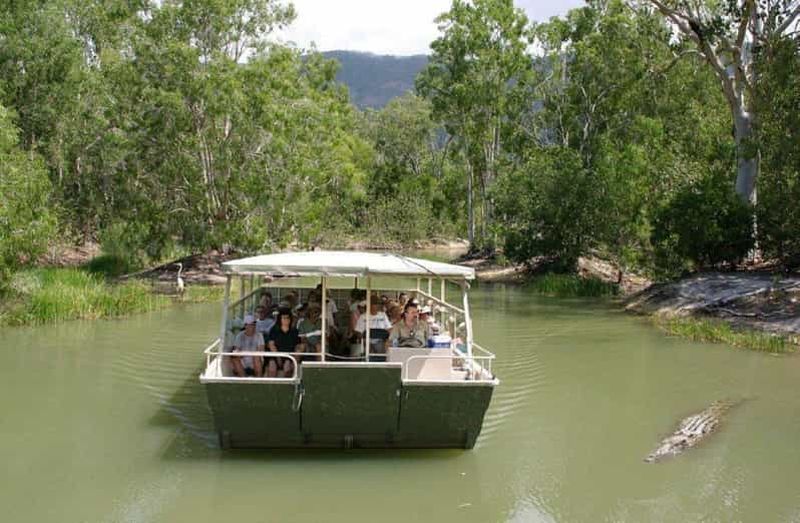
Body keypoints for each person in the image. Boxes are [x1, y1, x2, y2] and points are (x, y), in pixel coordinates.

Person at [266, 307, 303, 377]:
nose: (286, 320)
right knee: (272, 368)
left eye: (288, 318)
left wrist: (294, 359)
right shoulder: (274, 330)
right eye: (283, 318)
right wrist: (278, 358)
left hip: (289, 356)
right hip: (275, 356)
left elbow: (298, 345)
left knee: (287, 368)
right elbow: (271, 345)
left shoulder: (294, 331)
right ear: (280, 319)